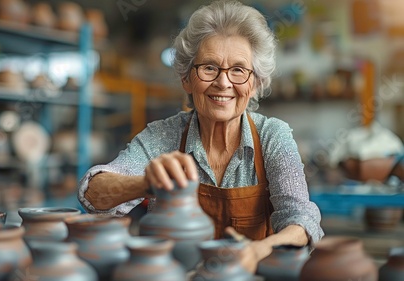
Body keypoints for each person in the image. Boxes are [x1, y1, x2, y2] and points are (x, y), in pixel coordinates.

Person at [78, 0, 324, 272]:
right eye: (209, 67)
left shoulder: (272, 136)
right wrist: (146, 184)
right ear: (186, 78)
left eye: (238, 70)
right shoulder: (163, 136)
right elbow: (93, 193)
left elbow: (301, 218)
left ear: (255, 85)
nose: (223, 82)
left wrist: (258, 250)